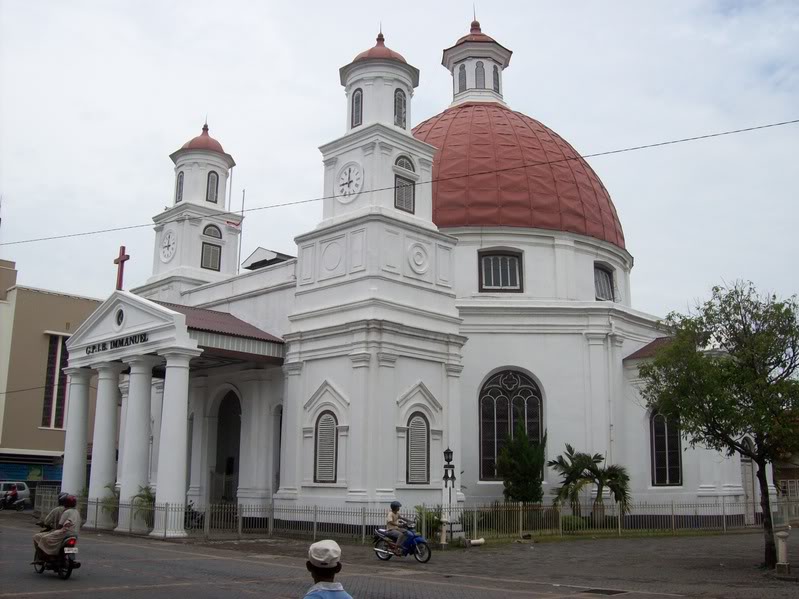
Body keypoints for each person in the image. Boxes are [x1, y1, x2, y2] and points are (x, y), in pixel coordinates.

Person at [32, 495, 81, 561]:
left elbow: (59, 526)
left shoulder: (65, 512)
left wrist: (56, 530)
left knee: (43, 538)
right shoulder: (77, 512)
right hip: (75, 534)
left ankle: (49, 556)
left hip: (64, 533)